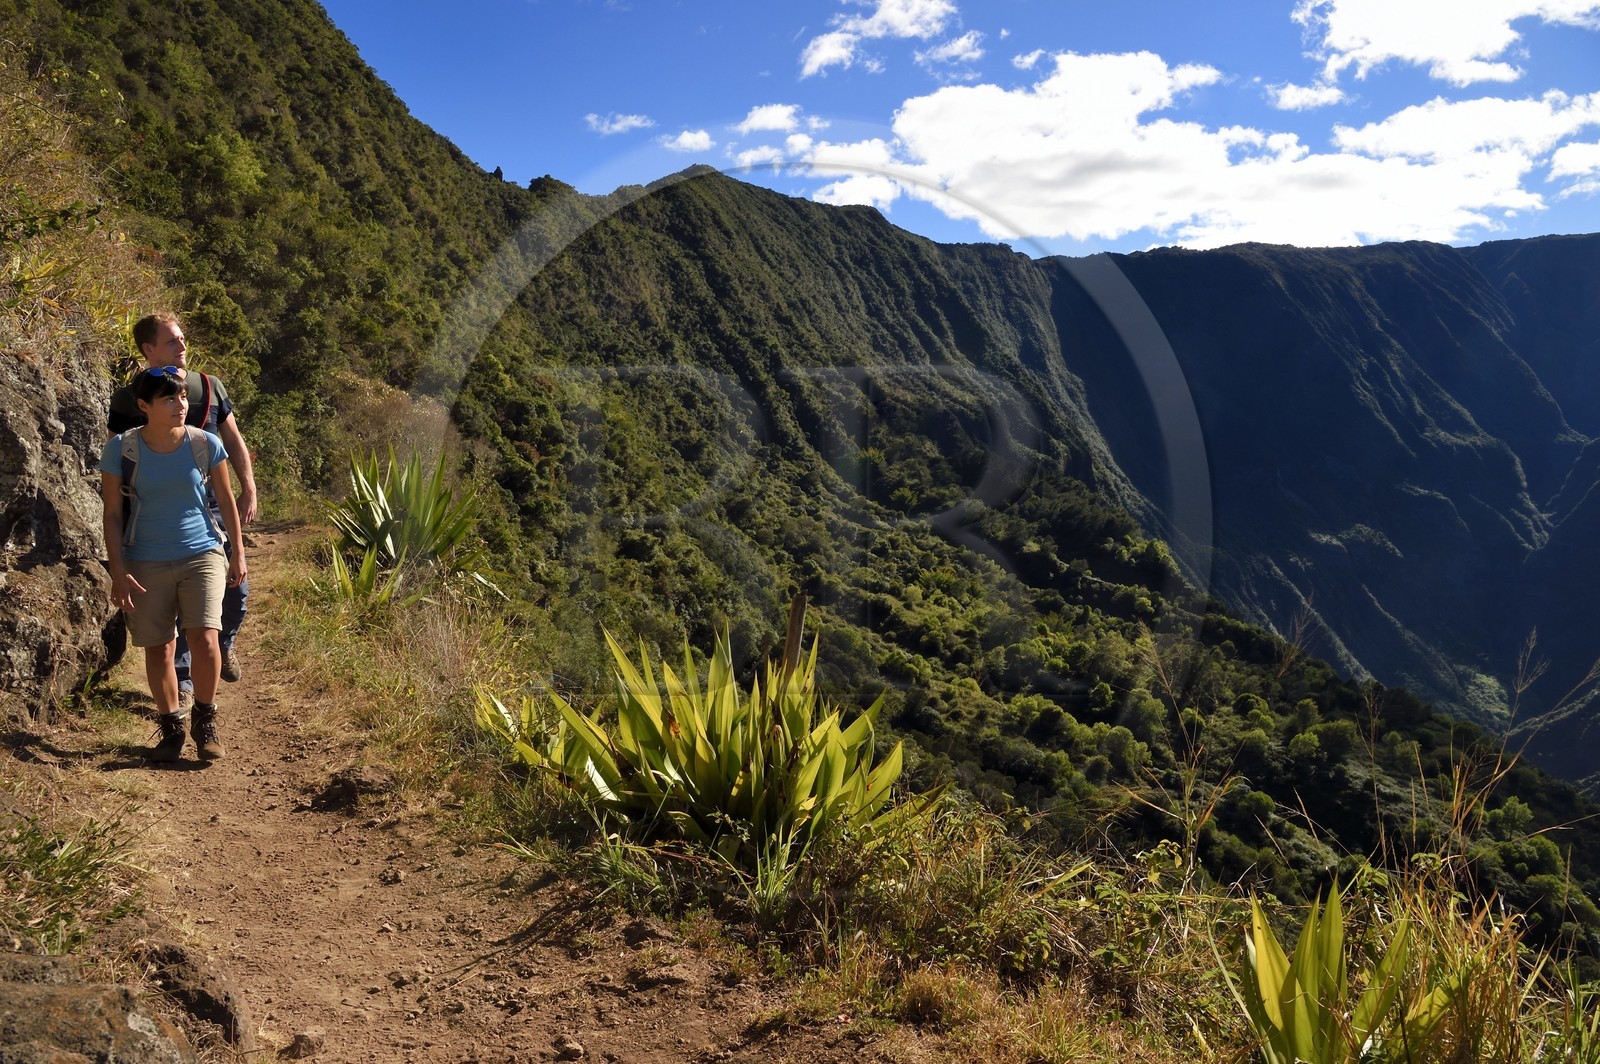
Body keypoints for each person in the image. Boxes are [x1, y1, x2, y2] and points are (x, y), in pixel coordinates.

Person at [109, 313, 257, 712]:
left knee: (236, 589)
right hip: (156, 513)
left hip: (211, 503)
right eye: (172, 341)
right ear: (149, 350)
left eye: (183, 339)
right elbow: (119, 462)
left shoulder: (208, 386)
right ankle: (184, 683)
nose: (182, 346)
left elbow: (234, 440)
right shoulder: (129, 398)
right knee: (168, 615)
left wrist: (249, 488)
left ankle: (222, 645)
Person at [101, 367, 247, 761]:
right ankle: (170, 727)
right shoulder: (121, 449)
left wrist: (238, 552)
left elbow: (226, 500)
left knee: (205, 637)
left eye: (182, 397)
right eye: (169, 398)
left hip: (201, 552)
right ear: (144, 406)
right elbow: (112, 513)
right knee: (160, 647)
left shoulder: (204, 443)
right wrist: (118, 569)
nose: (180, 405)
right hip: (145, 557)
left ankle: (205, 717)